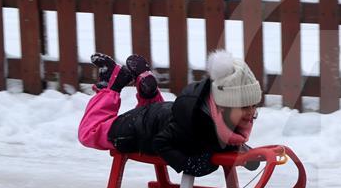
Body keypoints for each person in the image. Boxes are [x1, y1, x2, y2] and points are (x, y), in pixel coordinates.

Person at [77, 50, 261, 179]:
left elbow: (225, 140)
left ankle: (148, 92)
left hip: (160, 115)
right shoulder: (195, 126)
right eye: (245, 107)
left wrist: (247, 155)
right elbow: (161, 143)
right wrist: (188, 164)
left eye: (254, 106)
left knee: (158, 120)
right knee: (89, 133)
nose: (251, 112)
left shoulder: (215, 114)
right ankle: (111, 84)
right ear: (223, 107)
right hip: (135, 129)